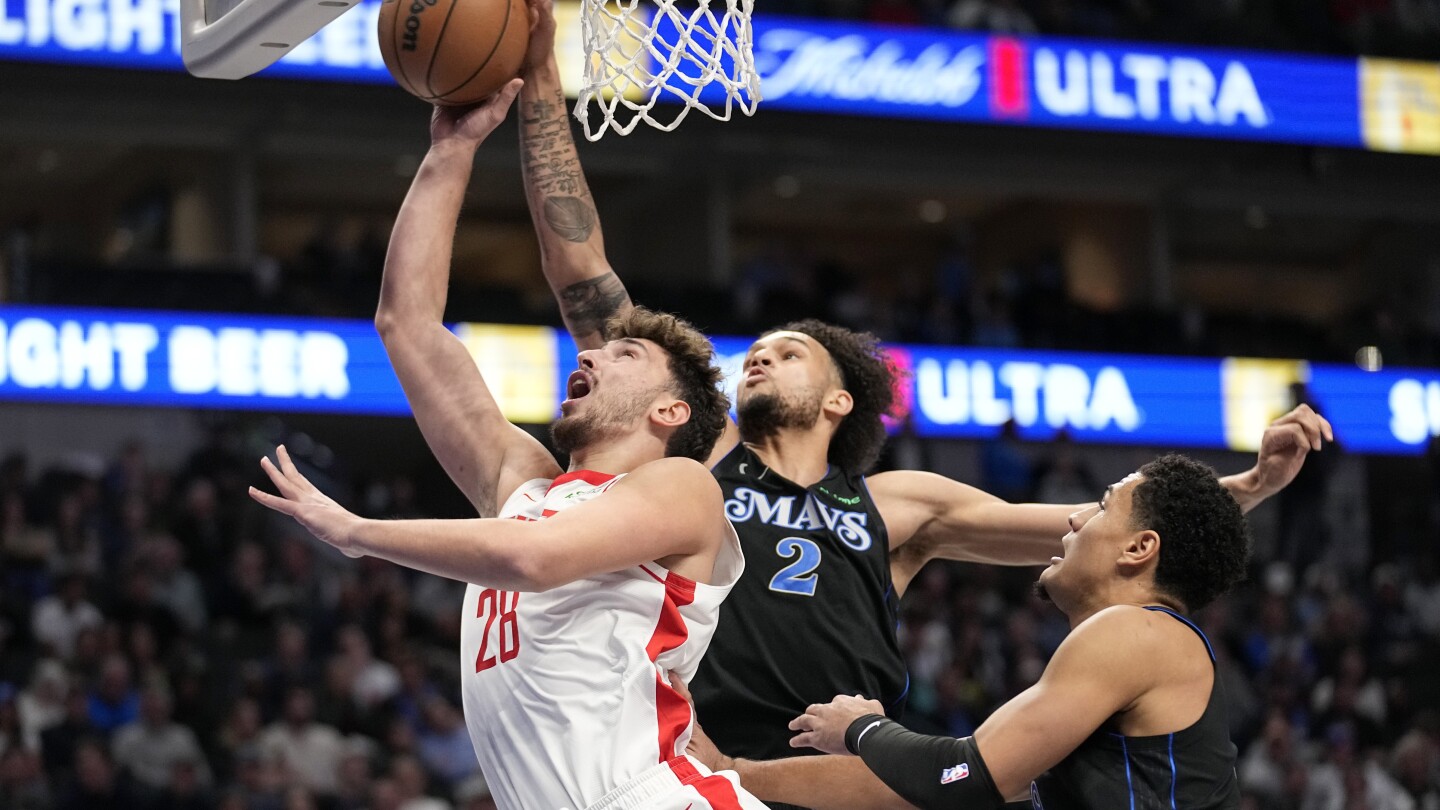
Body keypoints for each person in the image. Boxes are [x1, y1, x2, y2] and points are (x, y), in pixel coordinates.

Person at [512, 2, 1332, 807]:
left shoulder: (898, 507)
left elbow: (1098, 527)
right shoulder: (703, 457)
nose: (760, 353)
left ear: (840, 399)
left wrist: (1248, 488)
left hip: (841, 779)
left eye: (790, 351)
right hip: (689, 763)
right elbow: (584, 276)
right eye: (757, 349)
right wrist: (541, 76)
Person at [249, 82, 764, 810]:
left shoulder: (683, 487)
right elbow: (407, 324)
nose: (588, 358)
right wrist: (450, 151)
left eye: (624, 358)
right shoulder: (524, 487)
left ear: (671, 410)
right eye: (596, 352)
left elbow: (531, 559)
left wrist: (360, 533)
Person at [786, 454, 1250, 809]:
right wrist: (736, 772)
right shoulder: (1152, 649)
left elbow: (961, 775)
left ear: (1139, 548)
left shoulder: (1137, 631)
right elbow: (911, 788)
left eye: (1103, 507)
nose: (1074, 519)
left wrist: (861, 728)